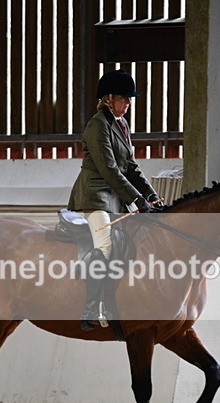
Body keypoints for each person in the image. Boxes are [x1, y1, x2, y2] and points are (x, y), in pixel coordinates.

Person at [67, 69, 162, 331]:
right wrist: (136, 199)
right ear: (108, 98)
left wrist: (151, 195)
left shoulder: (121, 125)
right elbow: (109, 169)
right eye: (124, 98)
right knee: (106, 245)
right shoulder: (97, 125)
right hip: (95, 197)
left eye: (129, 98)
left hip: (114, 199)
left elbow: (131, 166)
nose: (128, 103)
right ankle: (91, 307)